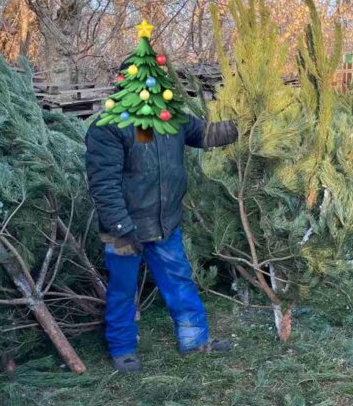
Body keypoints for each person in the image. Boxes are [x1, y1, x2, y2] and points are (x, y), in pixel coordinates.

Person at [85, 69, 238, 373]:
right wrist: (121, 228)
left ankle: (194, 340)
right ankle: (122, 347)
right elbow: (104, 184)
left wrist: (245, 123)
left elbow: (206, 134)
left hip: (165, 224)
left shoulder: (172, 120)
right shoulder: (108, 128)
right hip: (123, 229)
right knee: (123, 289)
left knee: (179, 281)